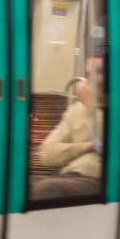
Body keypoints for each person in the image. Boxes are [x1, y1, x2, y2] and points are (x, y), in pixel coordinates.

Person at [32, 57, 104, 199]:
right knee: (14, 184)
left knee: (47, 189)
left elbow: (107, 142)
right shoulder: (77, 109)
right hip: (68, 175)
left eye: (100, 72)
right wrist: (86, 147)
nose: (93, 79)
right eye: (89, 74)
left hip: (98, 178)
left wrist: (91, 105)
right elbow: (47, 153)